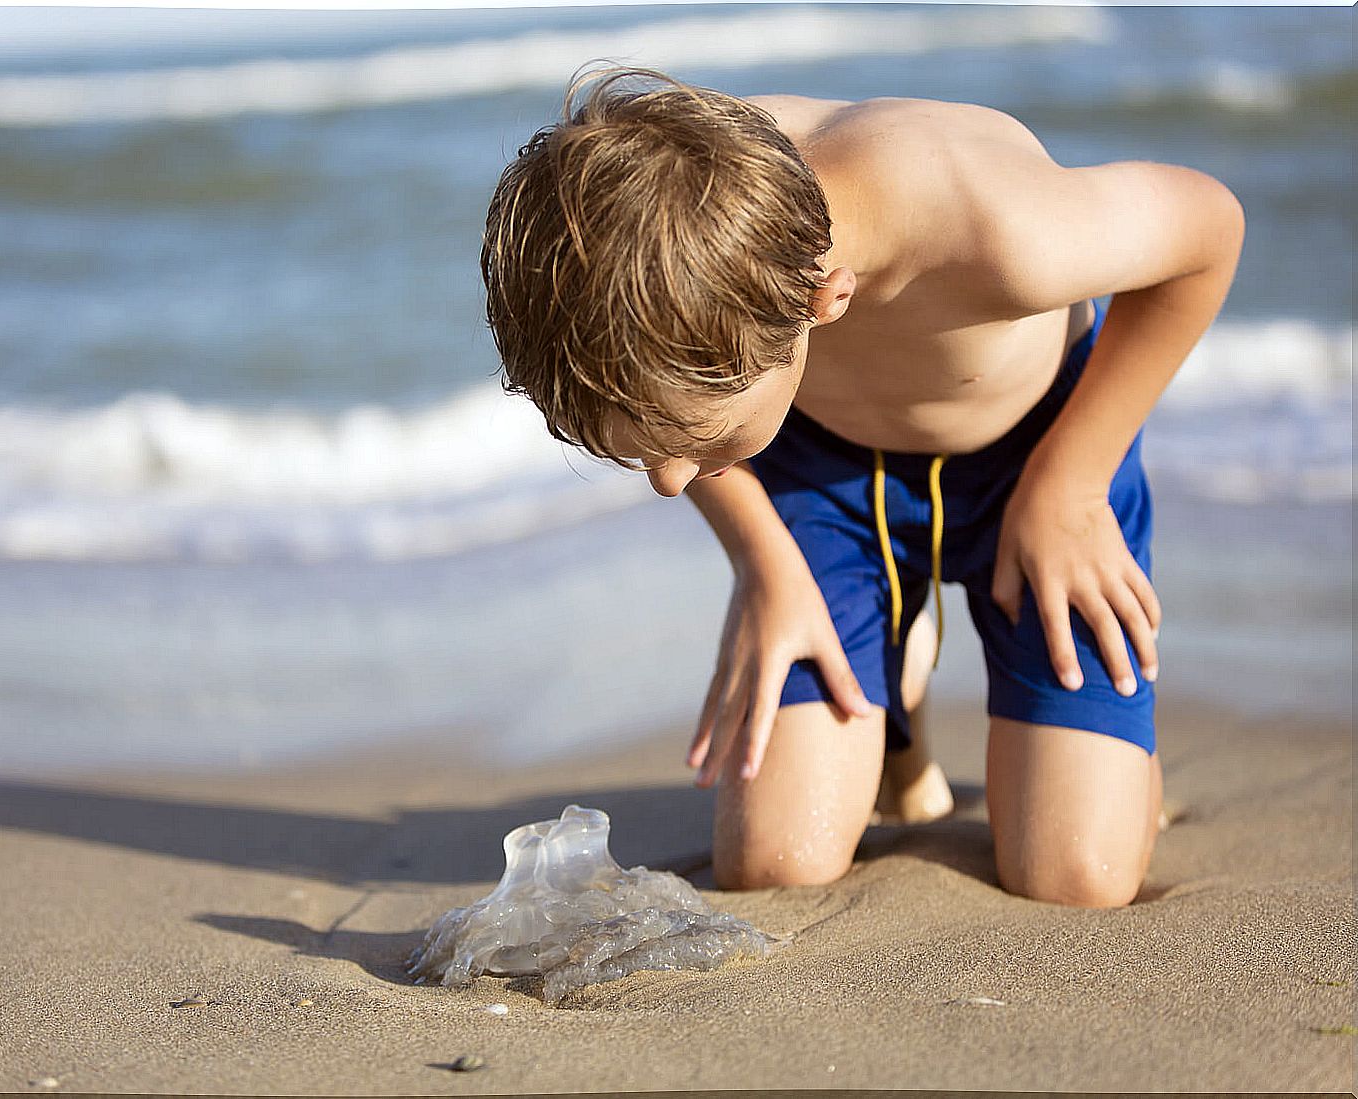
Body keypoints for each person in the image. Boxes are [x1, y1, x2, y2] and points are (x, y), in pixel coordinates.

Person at [481, 68, 1243, 906]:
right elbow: (671, 424)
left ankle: (1069, 739)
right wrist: (762, 559)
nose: (670, 484)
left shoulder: (998, 226)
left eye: (695, 445)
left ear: (824, 300)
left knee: (1077, 877)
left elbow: (1209, 230)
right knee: (776, 862)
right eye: (640, 450)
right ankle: (893, 700)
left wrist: (1075, 482)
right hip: (827, 473)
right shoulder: (655, 241)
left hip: (1039, 460)